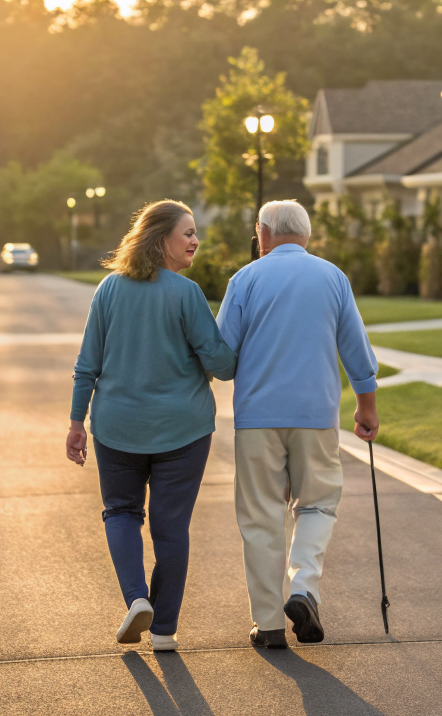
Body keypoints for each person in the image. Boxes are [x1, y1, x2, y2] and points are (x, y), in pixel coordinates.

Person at [66, 200, 236, 652]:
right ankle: (164, 631)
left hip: (117, 426)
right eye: (188, 232)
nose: (195, 240)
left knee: (121, 511)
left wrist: (75, 422)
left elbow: (87, 366)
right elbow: (220, 364)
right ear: (162, 240)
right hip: (183, 429)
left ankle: (137, 598)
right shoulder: (186, 293)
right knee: (171, 528)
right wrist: (232, 345)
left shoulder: (108, 289)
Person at [216, 199, 379, 649]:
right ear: (306, 236)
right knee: (319, 504)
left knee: (261, 517)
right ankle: (303, 587)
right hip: (316, 416)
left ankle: (268, 624)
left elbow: (223, 358)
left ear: (263, 235)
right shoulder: (332, 277)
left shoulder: (245, 279)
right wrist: (366, 407)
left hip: (257, 420)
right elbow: (358, 352)